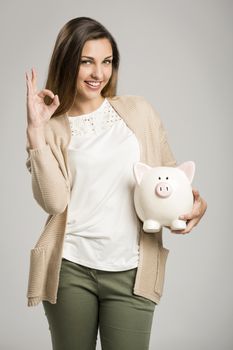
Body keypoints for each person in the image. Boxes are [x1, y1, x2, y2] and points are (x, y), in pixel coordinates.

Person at [25, 16, 207, 350]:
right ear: (67, 61)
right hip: (71, 268)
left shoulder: (139, 112)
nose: (99, 73)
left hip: (132, 269)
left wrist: (196, 204)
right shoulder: (51, 128)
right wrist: (36, 131)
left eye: (106, 62)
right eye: (87, 62)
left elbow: (169, 177)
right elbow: (54, 203)